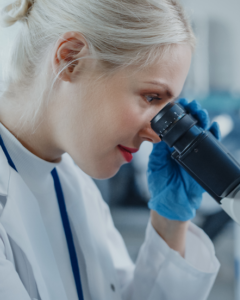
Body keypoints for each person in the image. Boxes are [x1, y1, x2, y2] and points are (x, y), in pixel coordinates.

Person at [0, 0, 220, 299]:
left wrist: (171, 220)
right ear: (71, 59)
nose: (158, 135)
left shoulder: (77, 188)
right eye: (151, 96)